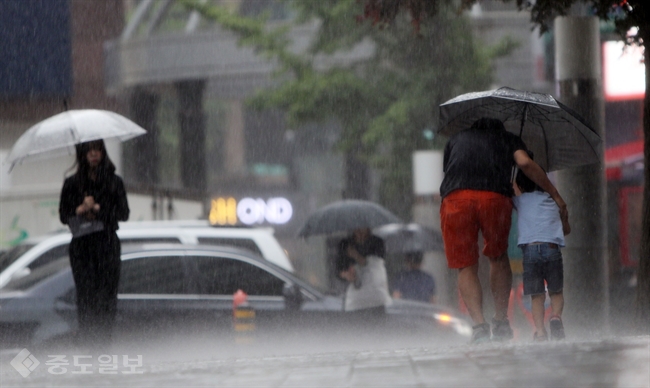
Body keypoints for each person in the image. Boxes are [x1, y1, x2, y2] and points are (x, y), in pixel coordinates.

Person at [439, 117, 569, 344]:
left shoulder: (456, 139)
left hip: (456, 199)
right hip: (494, 199)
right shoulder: (508, 138)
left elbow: (448, 170)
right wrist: (554, 194)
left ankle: (479, 326)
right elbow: (525, 163)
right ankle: (500, 321)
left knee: (465, 265)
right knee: (497, 257)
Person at [59, 139, 130, 348]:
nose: (93, 154)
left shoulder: (113, 182)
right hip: (82, 247)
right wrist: (80, 209)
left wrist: (99, 208)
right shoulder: (72, 184)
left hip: (106, 245)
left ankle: (104, 343)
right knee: (86, 297)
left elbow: (123, 213)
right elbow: (64, 215)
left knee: (106, 297)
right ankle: (88, 343)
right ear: (82, 154)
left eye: (97, 150)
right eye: (89, 150)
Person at [513, 154, 569, 341]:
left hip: (530, 251)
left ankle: (540, 331)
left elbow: (509, 194)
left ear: (521, 186)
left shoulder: (520, 201)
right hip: (552, 249)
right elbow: (566, 231)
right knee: (555, 291)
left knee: (536, 295)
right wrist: (564, 216)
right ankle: (555, 317)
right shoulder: (553, 201)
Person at [337, 228, 391, 315]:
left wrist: (356, 255)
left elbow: (373, 263)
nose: (359, 232)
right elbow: (339, 269)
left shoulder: (377, 243)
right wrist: (346, 275)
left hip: (375, 300)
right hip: (355, 301)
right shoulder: (345, 244)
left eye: (362, 229)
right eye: (356, 229)